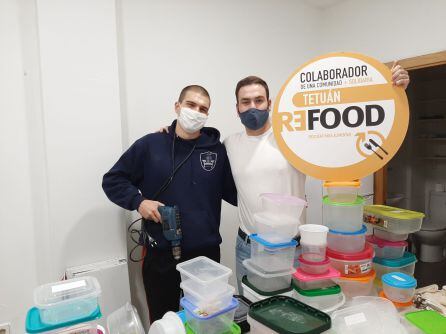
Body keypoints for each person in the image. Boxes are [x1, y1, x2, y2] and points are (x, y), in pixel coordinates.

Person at [224, 62, 410, 292]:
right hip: (248, 246)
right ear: (237, 108)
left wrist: (391, 90)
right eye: (246, 102)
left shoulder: (294, 138)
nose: (253, 107)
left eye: (259, 100)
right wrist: (168, 133)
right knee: (249, 309)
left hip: (292, 247)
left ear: (269, 104)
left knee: (290, 314)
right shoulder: (230, 144)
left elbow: (345, 132)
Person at [102, 85, 237, 322]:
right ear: (177, 106)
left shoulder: (217, 151)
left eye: (203, 108)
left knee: (206, 320)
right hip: (161, 257)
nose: (196, 112)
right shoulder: (151, 145)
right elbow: (113, 180)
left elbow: (237, 194)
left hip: (205, 257)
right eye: (191, 105)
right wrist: (139, 202)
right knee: (166, 322)